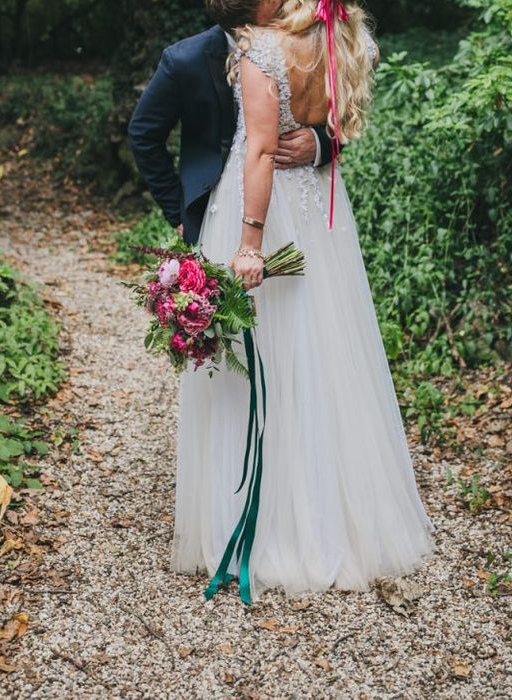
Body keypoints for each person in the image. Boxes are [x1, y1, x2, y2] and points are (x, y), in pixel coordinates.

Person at [143, 0, 435, 603]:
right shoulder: (335, 38)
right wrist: (183, 219)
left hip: (270, 213)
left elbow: (268, 149)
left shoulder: (267, 49)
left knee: (307, 353)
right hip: (307, 217)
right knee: (292, 353)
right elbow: (147, 136)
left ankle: (283, 523)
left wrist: (252, 237)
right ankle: (310, 513)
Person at [127, 2, 337, 246]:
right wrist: (177, 211)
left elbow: (345, 113)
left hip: (301, 205)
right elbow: (143, 134)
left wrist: (321, 143)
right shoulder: (185, 60)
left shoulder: (308, 43)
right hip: (215, 213)